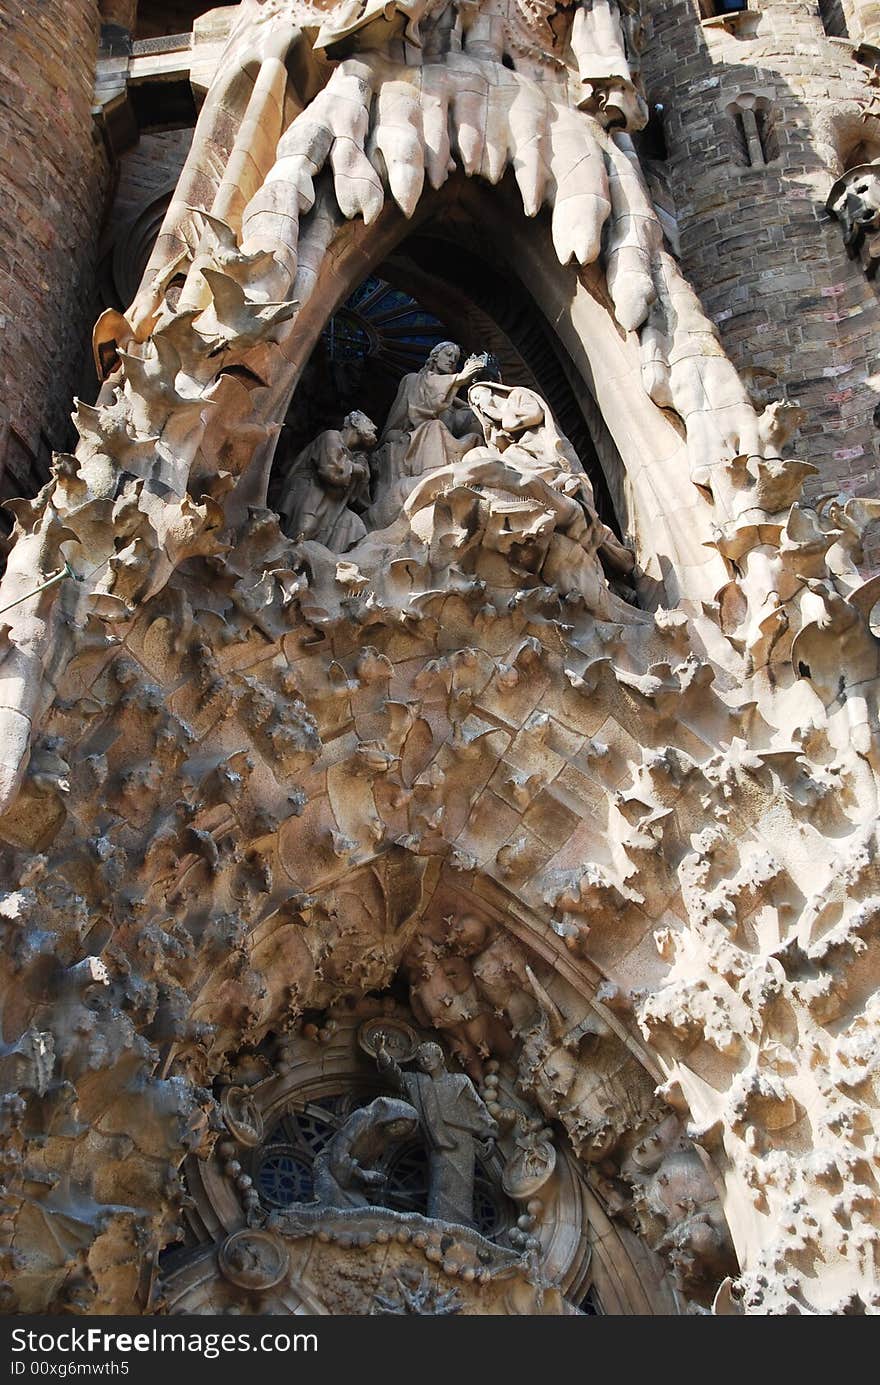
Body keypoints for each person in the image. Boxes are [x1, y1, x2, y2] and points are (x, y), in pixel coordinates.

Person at [376, 1038, 497, 1226]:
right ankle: (440, 1226)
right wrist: (383, 1055)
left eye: (428, 1056)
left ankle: (461, 1228)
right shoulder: (418, 1082)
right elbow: (396, 1077)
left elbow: (477, 1108)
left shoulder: (460, 1081)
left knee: (462, 1188)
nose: (425, 1061)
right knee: (440, 1185)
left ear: (440, 1057)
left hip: (461, 1141)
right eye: (421, 1059)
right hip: (437, 1143)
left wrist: (489, 1134)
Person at [277, 410, 377, 550]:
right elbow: (330, 471)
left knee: (354, 525)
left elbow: (356, 498)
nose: (374, 428)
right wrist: (355, 468)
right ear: (354, 423)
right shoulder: (331, 436)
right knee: (304, 531)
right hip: (311, 492)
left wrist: (364, 469)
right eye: (369, 423)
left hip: (333, 504)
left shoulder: (354, 456)